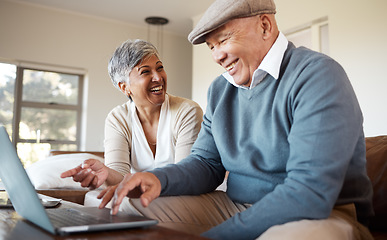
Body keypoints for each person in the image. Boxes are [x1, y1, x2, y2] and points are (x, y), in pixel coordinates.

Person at [98, 1, 374, 239]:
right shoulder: (221, 89)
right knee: (126, 209)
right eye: (211, 46)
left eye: (224, 40)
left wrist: (217, 236)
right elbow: (205, 164)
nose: (217, 56)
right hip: (236, 205)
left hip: (322, 214)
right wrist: (157, 180)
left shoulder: (317, 76)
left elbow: (309, 193)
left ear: (265, 26)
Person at [60, 39, 203, 195]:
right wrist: (106, 173)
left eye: (160, 68)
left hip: (182, 193)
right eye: (145, 71)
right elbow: (120, 176)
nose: (158, 77)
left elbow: (184, 175)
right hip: (141, 194)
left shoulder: (187, 111)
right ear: (124, 87)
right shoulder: (118, 118)